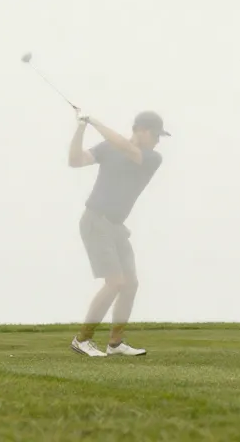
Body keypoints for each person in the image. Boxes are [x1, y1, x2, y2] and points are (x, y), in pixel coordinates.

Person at [67, 110, 169, 357]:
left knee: (131, 284)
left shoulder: (152, 157)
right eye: (155, 135)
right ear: (141, 130)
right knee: (115, 283)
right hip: (95, 221)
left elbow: (127, 149)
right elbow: (75, 160)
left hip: (116, 227)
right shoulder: (108, 147)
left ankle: (115, 343)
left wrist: (95, 121)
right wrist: (81, 128)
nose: (158, 140)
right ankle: (82, 339)